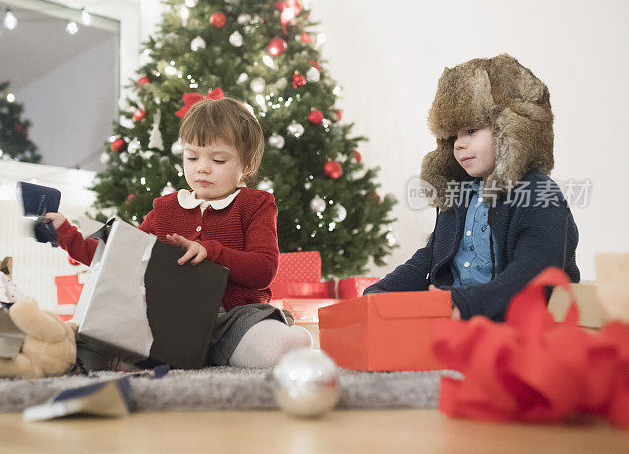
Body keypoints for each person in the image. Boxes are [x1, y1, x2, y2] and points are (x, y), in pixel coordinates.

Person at [46, 96, 311, 367]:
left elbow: (263, 269)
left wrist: (212, 251)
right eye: (192, 157)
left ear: (246, 167)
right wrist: (65, 233)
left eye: (218, 160)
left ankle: (264, 346)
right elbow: (117, 257)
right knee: (91, 343)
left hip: (235, 320)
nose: (202, 167)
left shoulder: (256, 205)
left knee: (279, 347)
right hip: (168, 326)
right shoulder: (165, 210)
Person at [364, 54, 580, 321]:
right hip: (455, 321)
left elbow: (532, 273)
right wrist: (382, 292)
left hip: (516, 329)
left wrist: (466, 303)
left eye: (471, 131)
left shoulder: (538, 195)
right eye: (454, 136)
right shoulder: (460, 194)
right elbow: (433, 256)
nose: (459, 144)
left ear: (509, 129)